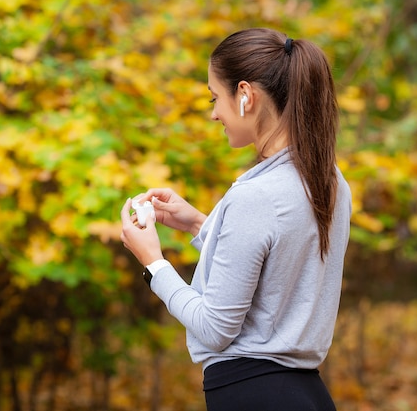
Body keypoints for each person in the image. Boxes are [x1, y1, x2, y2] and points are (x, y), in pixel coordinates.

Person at [120, 27, 351, 411]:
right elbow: (275, 263)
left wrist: (153, 263)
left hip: (253, 394)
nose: (214, 114)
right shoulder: (329, 180)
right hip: (307, 394)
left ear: (245, 95)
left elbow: (214, 329)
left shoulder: (256, 195)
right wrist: (198, 223)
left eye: (215, 97)